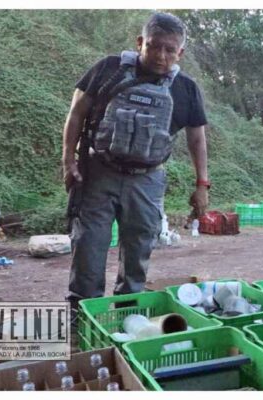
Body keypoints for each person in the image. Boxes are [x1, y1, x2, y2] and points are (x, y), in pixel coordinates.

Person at [61, 12, 209, 322]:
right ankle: (81, 319)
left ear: (180, 52)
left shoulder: (185, 88)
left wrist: (201, 185)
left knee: (138, 252)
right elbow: (76, 113)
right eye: (154, 46)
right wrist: (68, 160)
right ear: (140, 42)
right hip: (99, 173)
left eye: (171, 50)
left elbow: (197, 139)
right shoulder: (108, 70)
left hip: (147, 180)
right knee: (89, 247)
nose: (162, 56)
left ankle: (128, 320)